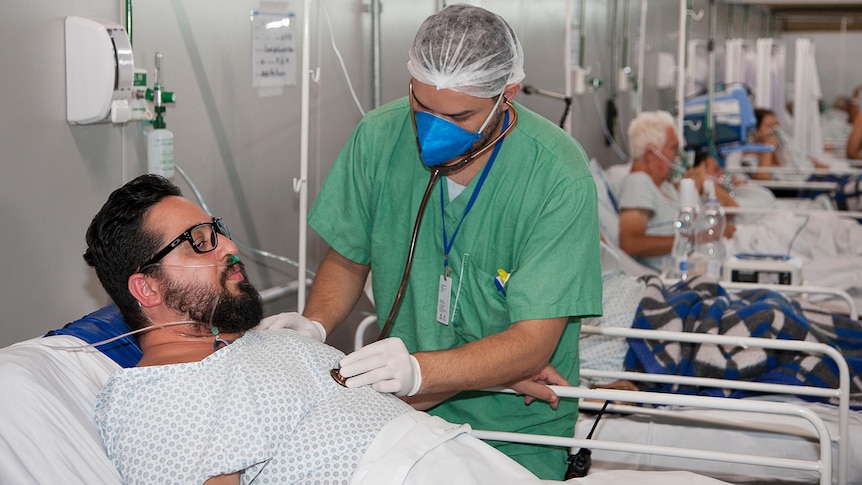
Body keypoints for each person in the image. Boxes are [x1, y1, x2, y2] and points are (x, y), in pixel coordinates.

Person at [291, 4, 602, 479]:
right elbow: (348, 258)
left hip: (514, 428)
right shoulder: (378, 137)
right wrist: (312, 329)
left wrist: (424, 373)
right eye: (421, 106)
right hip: (399, 414)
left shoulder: (556, 175)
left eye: (458, 115)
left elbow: (531, 345)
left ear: (507, 95)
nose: (432, 127)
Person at [84, 174, 549, 485]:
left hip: (458, 461)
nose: (227, 245)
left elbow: (368, 410)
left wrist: (485, 371)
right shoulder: (154, 398)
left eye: (217, 230)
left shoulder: (265, 341)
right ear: (146, 288)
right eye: (199, 242)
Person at [617, 111, 736, 273]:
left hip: (707, 258)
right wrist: (698, 237)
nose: (678, 156)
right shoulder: (638, 182)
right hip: (684, 269)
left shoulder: (663, 185)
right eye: (673, 148)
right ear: (652, 154)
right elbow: (630, 243)